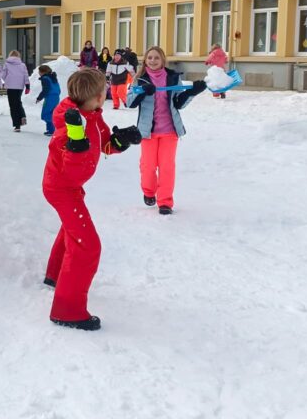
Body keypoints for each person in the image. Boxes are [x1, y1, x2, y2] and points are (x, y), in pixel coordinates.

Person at [42, 69, 142, 330]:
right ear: (99, 97)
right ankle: (67, 310)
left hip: (70, 187)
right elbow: (70, 169)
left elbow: (104, 142)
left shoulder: (93, 115)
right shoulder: (70, 124)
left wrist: (120, 140)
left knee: (72, 228)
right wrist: (76, 145)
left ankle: (56, 274)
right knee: (87, 246)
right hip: (62, 187)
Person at [126, 46, 206, 215]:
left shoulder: (172, 78)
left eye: (156, 58)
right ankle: (149, 191)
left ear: (163, 60)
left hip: (170, 131)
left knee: (167, 167)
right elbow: (130, 102)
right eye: (150, 58)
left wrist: (192, 92)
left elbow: (178, 103)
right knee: (148, 166)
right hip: (148, 132)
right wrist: (142, 92)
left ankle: (165, 202)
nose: (153, 61)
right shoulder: (140, 79)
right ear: (145, 60)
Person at [0, 50, 30, 131]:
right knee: (18, 102)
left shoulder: (7, 64)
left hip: (10, 86)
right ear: (18, 56)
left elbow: (3, 75)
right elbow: (26, 75)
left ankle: (17, 125)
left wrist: (5, 80)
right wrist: (27, 86)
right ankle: (22, 115)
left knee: (13, 106)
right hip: (20, 86)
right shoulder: (22, 65)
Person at [34, 64, 61, 136]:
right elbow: (58, 88)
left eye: (39, 71)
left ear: (42, 72)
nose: (38, 73)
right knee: (52, 113)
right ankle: (51, 130)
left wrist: (39, 98)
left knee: (45, 114)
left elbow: (46, 89)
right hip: (56, 97)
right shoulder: (53, 77)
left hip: (49, 98)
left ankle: (51, 130)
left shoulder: (45, 78)